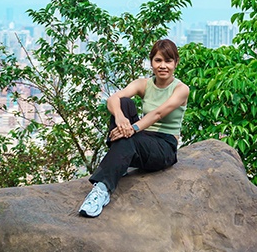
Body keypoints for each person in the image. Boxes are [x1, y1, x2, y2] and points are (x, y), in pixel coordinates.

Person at [78, 38, 189, 218]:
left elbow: (158, 114)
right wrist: (121, 119)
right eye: (158, 60)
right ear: (151, 62)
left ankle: (102, 189)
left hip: (163, 147)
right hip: (141, 139)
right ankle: (115, 163)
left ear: (176, 63)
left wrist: (132, 128)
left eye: (168, 61)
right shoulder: (143, 84)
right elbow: (112, 99)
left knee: (128, 138)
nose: (163, 66)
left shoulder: (181, 89)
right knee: (124, 103)